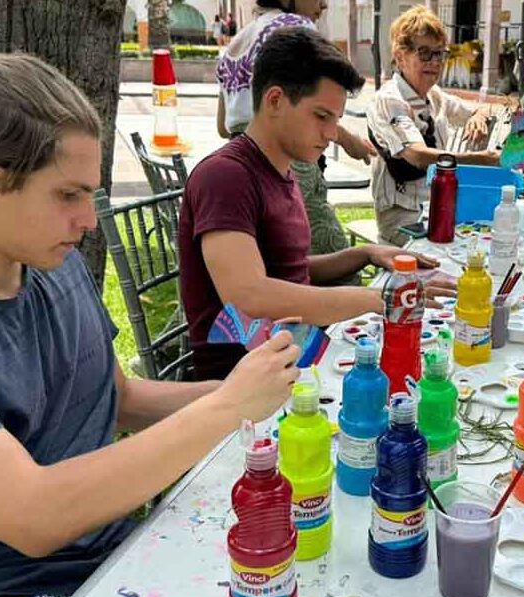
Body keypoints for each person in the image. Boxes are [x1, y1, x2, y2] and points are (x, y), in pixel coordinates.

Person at [0, 49, 301, 597]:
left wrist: (266, 391)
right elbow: (35, 515)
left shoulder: (53, 265)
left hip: (106, 566)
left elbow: (118, 397)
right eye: (68, 195)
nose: (90, 220)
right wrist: (227, 405)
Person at [180, 28, 455, 380]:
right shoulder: (225, 177)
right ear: (275, 100)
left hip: (298, 353)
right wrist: (380, 298)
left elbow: (287, 270)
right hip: (243, 384)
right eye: (321, 116)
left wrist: (365, 253)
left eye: (337, 120)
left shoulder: (282, 171)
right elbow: (250, 295)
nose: (331, 133)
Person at [215, 0, 375, 267]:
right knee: (327, 256)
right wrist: (348, 140)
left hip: (247, 153)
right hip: (290, 162)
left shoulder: (233, 46)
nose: (323, 5)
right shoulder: (295, 29)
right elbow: (253, 294)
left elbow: (224, 127)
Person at [366, 6, 501, 246]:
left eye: (440, 54)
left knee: (490, 238)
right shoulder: (390, 99)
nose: (435, 62)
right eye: (425, 53)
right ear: (400, 56)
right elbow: (417, 155)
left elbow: (482, 108)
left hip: (436, 207)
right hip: (403, 218)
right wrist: (483, 159)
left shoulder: (434, 95)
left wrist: (478, 115)